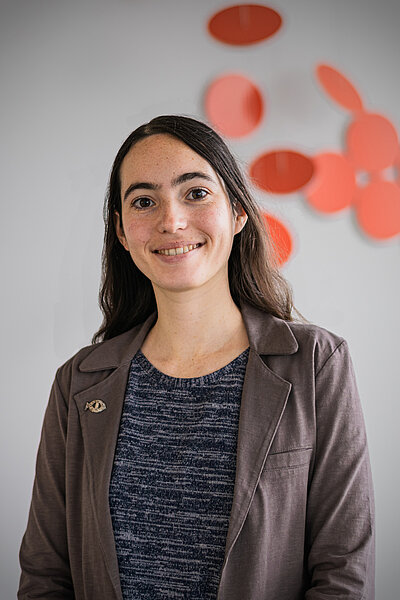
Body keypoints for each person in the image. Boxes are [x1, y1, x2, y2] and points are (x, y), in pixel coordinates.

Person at [18, 115, 375, 600]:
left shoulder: (316, 363)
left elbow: (343, 571)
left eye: (196, 193)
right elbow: (45, 575)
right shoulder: (79, 383)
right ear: (121, 231)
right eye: (144, 201)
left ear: (238, 212)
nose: (171, 221)